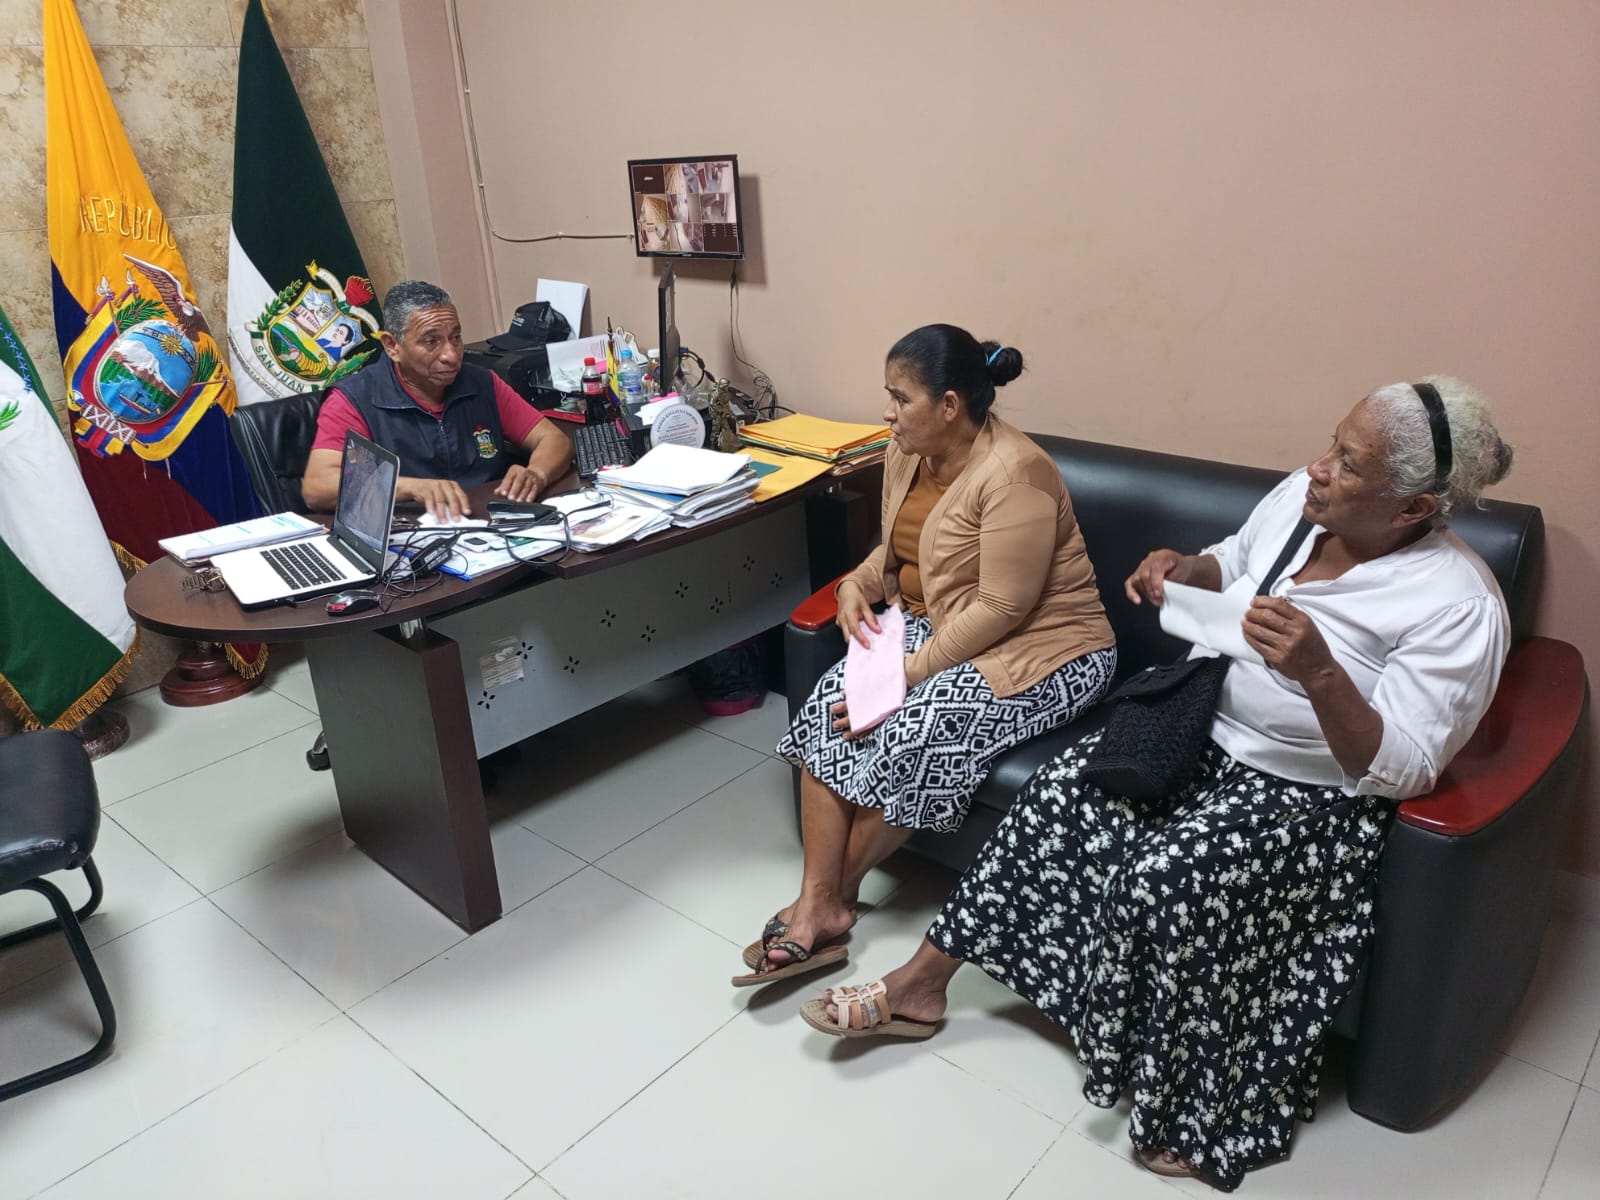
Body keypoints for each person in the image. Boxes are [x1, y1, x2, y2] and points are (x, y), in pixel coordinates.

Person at [800, 377, 1515, 1192]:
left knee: (1167, 878)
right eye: (1332, 443)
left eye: (1349, 464)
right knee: (1057, 799)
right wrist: (1188, 568)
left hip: (1307, 791)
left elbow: (1407, 766)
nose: (1318, 467)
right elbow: (1235, 562)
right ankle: (920, 986)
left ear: (1412, 508)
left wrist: (1320, 673)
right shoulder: (1301, 501)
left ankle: (1189, 1101)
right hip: (1196, 722)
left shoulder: (1458, 605)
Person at [734, 324, 1118, 986]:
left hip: (1048, 647)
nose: (887, 412)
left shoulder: (1016, 473)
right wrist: (857, 584)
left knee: (915, 725)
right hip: (941, 623)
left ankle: (831, 901)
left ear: (948, 405)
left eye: (899, 397)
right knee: (832, 703)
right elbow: (897, 553)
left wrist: (904, 676)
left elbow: (1003, 608)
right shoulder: (907, 451)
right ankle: (818, 898)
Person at [302, 280, 572, 520]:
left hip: (487, 526)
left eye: (455, 338)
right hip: (408, 539)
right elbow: (317, 487)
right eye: (431, 342)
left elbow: (553, 439)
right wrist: (411, 487)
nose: (451, 355)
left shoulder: (481, 383)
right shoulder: (355, 398)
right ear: (392, 346)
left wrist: (536, 473)